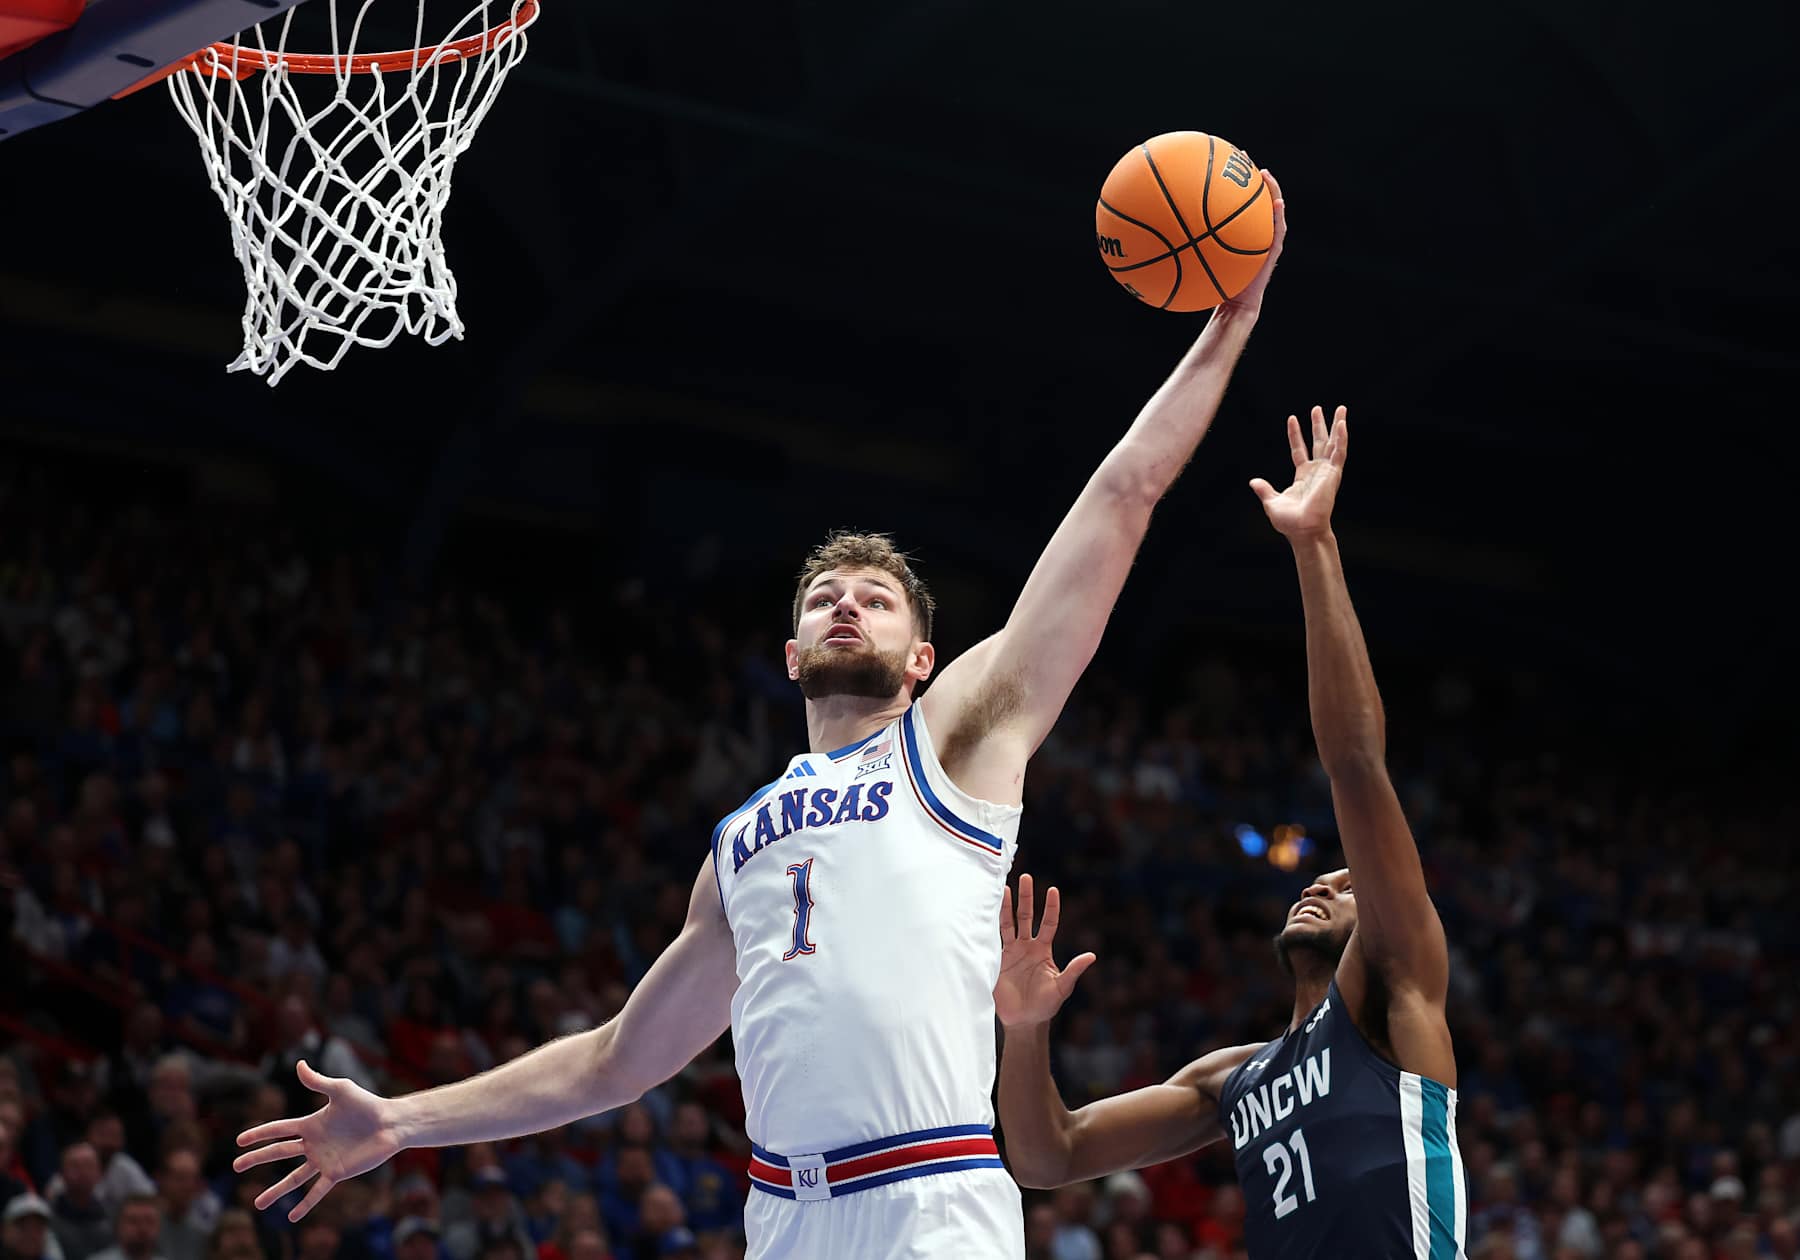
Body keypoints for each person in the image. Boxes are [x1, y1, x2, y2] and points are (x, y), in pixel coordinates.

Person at [232, 178, 1290, 1260]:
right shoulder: (740, 843)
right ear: (791, 656)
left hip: (932, 1196)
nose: (846, 602)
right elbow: (611, 1061)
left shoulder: (957, 739)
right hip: (782, 1217)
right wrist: (403, 1121)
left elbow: (1120, 500)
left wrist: (1230, 324)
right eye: (824, 597)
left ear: (923, 660)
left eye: (877, 599)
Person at [995, 409, 1467, 1258]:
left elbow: (1356, 763)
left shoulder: (1394, 991)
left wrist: (1313, 546)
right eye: (1323, 877)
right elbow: (1044, 1155)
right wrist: (1025, 1032)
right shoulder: (1233, 1080)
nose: (1324, 881)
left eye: (1347, 883)